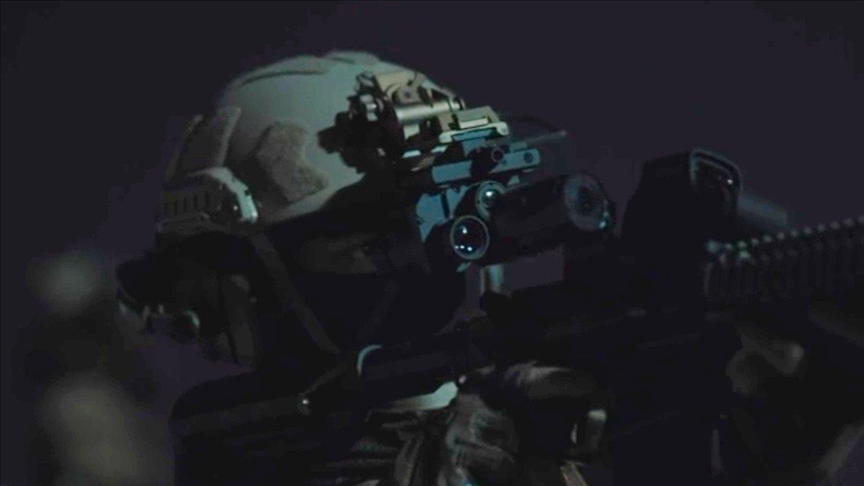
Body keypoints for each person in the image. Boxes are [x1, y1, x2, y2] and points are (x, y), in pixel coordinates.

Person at [110, 51, 863, 486]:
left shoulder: (523, 406)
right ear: (241, 283)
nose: (409, 262)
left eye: (419, 228)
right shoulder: (252, 454)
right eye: (363, 242)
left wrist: (775, 443)